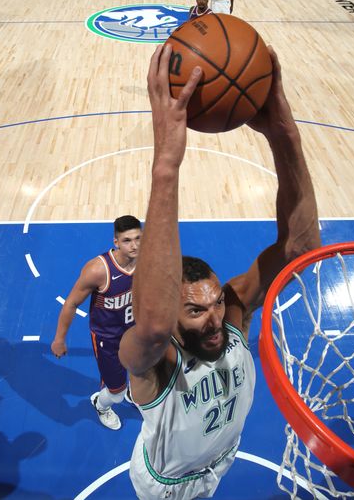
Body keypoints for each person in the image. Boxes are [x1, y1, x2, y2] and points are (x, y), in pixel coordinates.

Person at [120, 44, 320, 499]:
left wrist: (284, 133)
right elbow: (151, 325)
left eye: (213, 304)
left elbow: (303, 247)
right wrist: (166, 165)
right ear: (172, 319)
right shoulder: (153, 363)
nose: (213, 320)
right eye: (193, 311)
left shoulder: (229, 316)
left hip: (220, 461)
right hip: (167, 485)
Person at [51, 215, 143, 431]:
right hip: (108, 338)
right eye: (127, 240)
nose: (134, 245)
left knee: (142, 374)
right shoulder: (98, 270)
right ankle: (100, 405)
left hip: (135, 333)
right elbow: (71, 303)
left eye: (138, 238)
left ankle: (131, 393)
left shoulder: (145, 261)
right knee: (116, 394)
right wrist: (59, 339)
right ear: (116, 242)